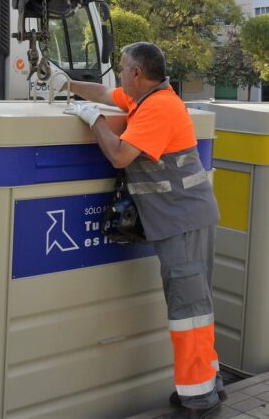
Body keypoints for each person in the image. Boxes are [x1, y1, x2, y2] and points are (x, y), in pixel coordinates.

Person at [60, 42, 225, 419]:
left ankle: (200, 401)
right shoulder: (145, 99)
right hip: (181, 220)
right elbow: (104, 92)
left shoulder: (159, 108)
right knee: (195, 304)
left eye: (121, 68)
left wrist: (94, 121)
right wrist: (68, 84)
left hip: (183, 222)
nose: (118, 74)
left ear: (137, 73)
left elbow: (119, 154)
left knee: (189, 310)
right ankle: (206, 384)